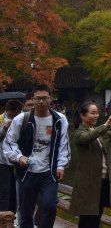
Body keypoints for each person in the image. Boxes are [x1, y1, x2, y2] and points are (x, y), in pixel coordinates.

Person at [2, 85, 70, 228]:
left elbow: (64, 145)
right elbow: (9, 143)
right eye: (37, 98)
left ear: (50, 99)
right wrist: (19, 157)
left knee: (50, 206)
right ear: (32, 99)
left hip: (49, 173)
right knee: (26, 213)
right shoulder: (21, 119)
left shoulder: (60, 120)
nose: (41, 102)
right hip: (27, 172)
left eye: (44, 98)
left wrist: (61, 165)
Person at [68, 102, 111, 228]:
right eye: (92, 113)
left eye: (97, 113)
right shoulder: (78, 133)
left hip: (103, 180)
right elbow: (87, 138)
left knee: (97, 215)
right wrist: (105, 125)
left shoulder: (98, 132)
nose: (96, 115)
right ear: (82, 116)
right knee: (87, 218)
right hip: (88, 183)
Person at [0, 100, 22, 212]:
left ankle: (12, 216)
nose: (13, 118)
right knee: (4, 191)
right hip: (3, 161)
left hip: (19, 160)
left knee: (14, 192)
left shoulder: (23, 119)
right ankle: (2, 218)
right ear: (6, 111)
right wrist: (3, 128)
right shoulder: (1, 119)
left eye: (15, 116)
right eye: (11, 115)